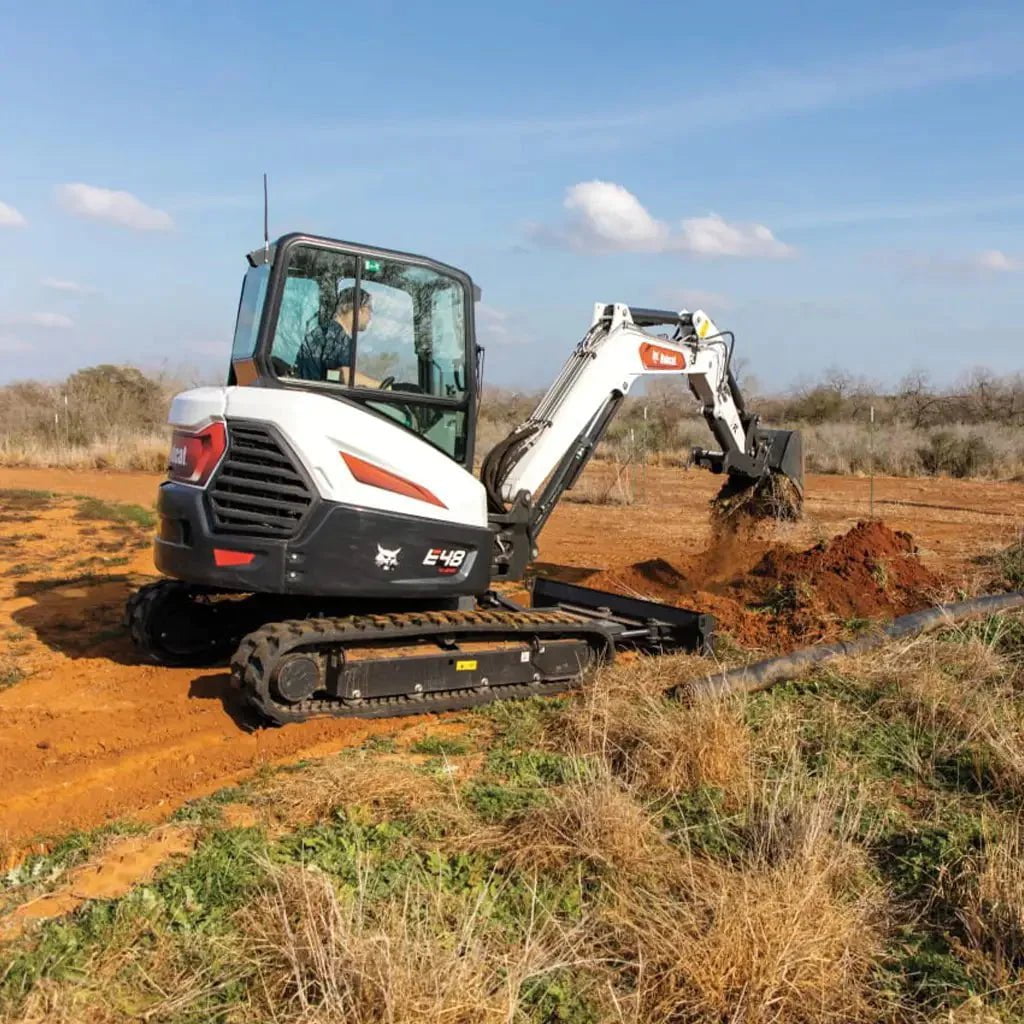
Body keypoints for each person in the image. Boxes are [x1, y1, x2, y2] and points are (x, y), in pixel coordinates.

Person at [293, 285, 378, 386]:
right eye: (369, 309)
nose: (370, 317)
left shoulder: (326, 331)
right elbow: (341, 374)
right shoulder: (336, 335)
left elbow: (329, 375)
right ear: (357, 309)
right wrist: (383, 387)